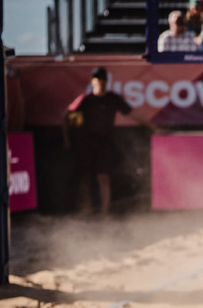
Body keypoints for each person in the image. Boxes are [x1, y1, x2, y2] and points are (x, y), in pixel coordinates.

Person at [62, 67, 155, 216]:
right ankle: (87, 210)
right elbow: (67, 116)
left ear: (106, 81)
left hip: (103, 145)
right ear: (92, 81)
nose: (100, 82)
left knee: (103, 178)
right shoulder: (85, 100)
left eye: (103, 79)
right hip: (85, 145)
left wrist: (152, 126)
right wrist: (67, 139)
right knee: (84, 178)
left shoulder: (113, 99)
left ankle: (104, 215)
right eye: (97, 79)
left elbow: (133, 114)